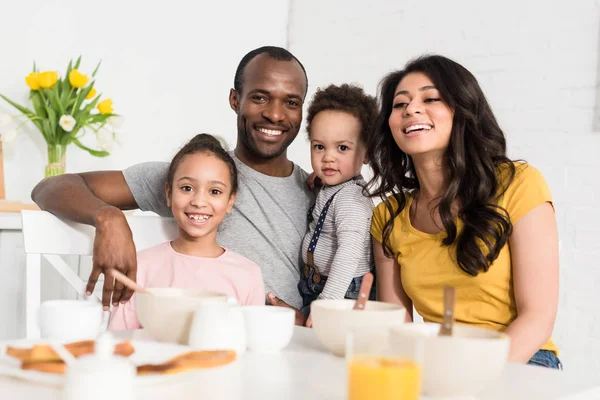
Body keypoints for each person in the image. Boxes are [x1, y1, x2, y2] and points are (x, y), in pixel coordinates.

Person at [31, 46, 312, 318]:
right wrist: (108, 218)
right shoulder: (194, 176)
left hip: (289, 346)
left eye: (291, 102)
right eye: (260, 98)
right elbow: (49, 188)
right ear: (235, 100)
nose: (275, 114)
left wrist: (306, 319)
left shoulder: (320, 193)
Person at [368, 55, 561, 368]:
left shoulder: (519, 184)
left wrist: (474, 381)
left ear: (463, 112)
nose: (411, 109)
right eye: (399, 104)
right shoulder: (388, 217)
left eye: (431, 98)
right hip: (439, 363)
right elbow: (397, 328)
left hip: (521, 361)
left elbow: (538, 318)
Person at [109, 134, 265, 330]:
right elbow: (119, 341)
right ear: (169, 194)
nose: (199, 201)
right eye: (187, 188)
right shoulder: (140, 266)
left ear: (230, 201)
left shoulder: (248, 275)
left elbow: (251, 350)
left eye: (215, 191)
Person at [294, 84, 378, 326]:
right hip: (320, 283)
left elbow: (348, 254)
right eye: (319, 147)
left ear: (365, 154)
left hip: (342, 291)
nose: (328, 157)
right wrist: (321, 178)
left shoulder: (351, 199)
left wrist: (328, 301)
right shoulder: (335, 186)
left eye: (342, 148)